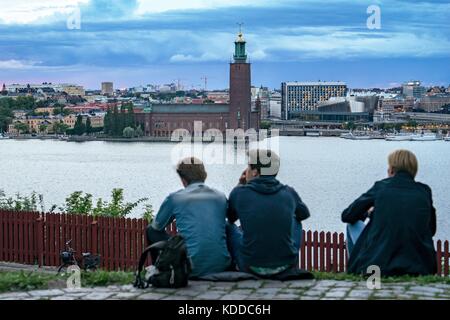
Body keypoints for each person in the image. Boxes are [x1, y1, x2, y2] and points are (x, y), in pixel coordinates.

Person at [342, 149, 437, 276]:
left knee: (351, 225)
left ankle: (358, 271)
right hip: (420, 266)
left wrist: (368, 213)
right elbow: (431, 230)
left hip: (378, 265)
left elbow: (347, 215)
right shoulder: (424, 191)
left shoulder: (381, 187)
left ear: (391, 169)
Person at [227, 149, 310, 277]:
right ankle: (287, 257)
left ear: (255, 172)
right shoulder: (289, 193)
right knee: (296, 220)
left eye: (249, 166)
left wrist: (240, 184)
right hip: (286, 266)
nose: (246, 169)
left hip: (249, 266)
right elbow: (304, 214)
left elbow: (231, 218)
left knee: (229, 227)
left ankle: (231, 265)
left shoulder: (240, 193)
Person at [146, 157, 231, 278]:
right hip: (222, 266)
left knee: (151, 230)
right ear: (204, 175)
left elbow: (156, 226)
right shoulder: (220, 196)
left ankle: (161, 270)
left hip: (189, 268)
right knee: (227, 227)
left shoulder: (175, 198)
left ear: (182, 178)